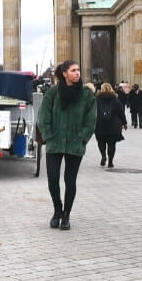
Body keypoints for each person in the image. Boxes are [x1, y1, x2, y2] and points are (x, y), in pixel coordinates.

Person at [37, 60, 96, 230]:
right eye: (73, 70)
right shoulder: (53, 93)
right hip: (55, 143)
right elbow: (43, 116)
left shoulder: (86, 94)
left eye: (78, 70)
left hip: (75, 144)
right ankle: (57, 210)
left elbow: (91, 121)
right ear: (64, 73)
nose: (77, 73)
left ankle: (66, 215)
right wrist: (48, 136)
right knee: (53, 180)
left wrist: (82, 137)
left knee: (70, 181)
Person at [94, 83, 127, 168]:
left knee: (101, 141)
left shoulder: (97, 99)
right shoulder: (115, 99)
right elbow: (121, 112)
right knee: (112, 144)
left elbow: (93, 112)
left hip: (100, 124)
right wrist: (124, 122)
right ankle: (110, 162)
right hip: (114, 125)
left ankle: (103, 155)